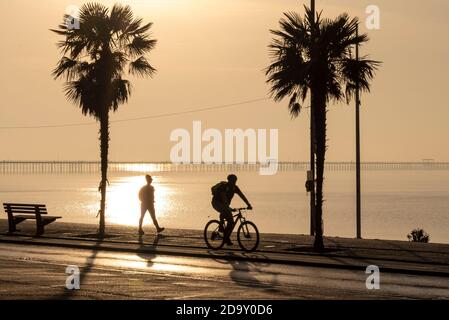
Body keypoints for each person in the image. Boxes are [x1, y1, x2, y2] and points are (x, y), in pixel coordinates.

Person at [211, 174, 252, 246]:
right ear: (229, 180)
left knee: (231, 222)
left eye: (235, 181)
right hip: (216, 203)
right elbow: (224, 199)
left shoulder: (235, 188)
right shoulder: (224, 187)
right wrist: (229, 208)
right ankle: (220, 229)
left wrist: (248, 204)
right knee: (226, 212)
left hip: (225, 204)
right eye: (233, 181)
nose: (234, 182)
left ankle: (226, 237)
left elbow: (242, 196)